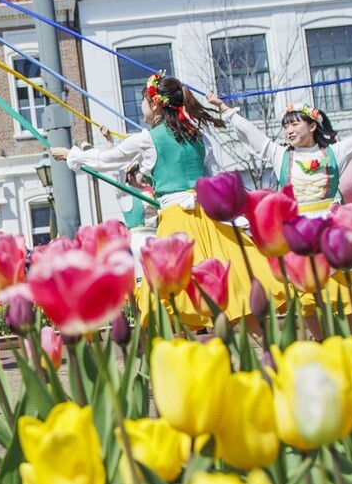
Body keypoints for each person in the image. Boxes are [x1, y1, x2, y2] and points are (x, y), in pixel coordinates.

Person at [53, 72, 278, 324]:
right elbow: (216, 177)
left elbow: (105, 160)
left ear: (155, 103)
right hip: (209, 218)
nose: (141, 107)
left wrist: (69, 153)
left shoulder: (147, 139)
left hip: (177, 220)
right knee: (230, 288)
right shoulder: (197, 136)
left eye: (142, 101)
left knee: (170, 294)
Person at [204, 74, 352, 217]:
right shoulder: (280, 154)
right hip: (296, 229)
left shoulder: (335, 152)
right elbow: (250, 131)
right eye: (285, 126)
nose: (289, 131)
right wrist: (223, 109)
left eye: (294, 124)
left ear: (312, 126)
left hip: (332, 227)